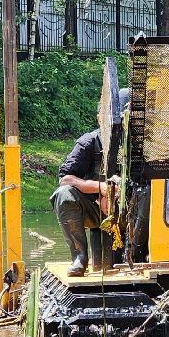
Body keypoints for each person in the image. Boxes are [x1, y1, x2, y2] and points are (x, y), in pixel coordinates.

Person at [51, 88, 130, 276]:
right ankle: (79, 257)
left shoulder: (147, 145)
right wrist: (101, 188)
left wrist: (120, 195)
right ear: (100, 118)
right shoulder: (89, 142)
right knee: (64, 195)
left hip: (132, 209)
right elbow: (65, 178)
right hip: (97, 209)